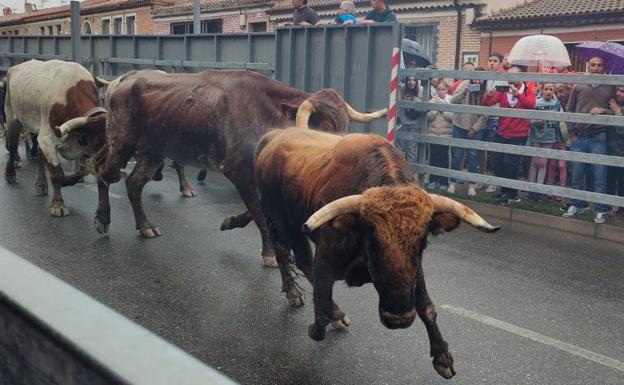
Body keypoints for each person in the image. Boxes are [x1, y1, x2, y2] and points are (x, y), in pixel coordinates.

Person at [562, 56, 615, 224]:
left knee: (600, 175)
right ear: (588, 66)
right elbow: (569, 109)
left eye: (599, 65)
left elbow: (615, 110)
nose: (596, 68)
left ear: (603, 67)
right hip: (579, 136)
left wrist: (604, 111)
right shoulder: (578, 85)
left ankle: (600, 210)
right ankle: (577, 204)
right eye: (593, 65)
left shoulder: (609, 86)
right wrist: (571, 132)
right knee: (577, 174)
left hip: (599, 136)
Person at [482, 65, 537, 204]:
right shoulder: (503, 90)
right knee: (496, 163)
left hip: (519, 134)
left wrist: (517, 94)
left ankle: (512, 195)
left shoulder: (527, 91)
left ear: (521, 77)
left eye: (513, 76)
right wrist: (488, 94)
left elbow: (531, 105)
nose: (510, 79)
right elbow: (486, 103)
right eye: (508, 75)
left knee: (510, 164)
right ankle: (504, 190)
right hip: (502, 132)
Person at [447, 68, 488, 196]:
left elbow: (486, 114)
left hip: (476, 128)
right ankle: (452, 183)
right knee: (457, 155)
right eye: (476, 77)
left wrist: (475, 128)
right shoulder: (464, 84)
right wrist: (464, 93)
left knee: (472, 156)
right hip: (460, 125)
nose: (478, 80)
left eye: (481, 78)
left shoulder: (486, 91)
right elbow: (453, 101)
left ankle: (471, 185)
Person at [526, 82, 561, 201]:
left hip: (549, 136)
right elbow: (528, 119)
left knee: (543, 163)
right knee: (534, 162)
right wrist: (536, 121)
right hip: (536, 135)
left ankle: (538, 190)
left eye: (551, 89)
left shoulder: (556, 104)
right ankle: (531, 188)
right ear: (542, 90)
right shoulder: (536, 102)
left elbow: (560, 119)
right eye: (546, 89)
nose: (548, 92)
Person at [426, 81, 453, 190]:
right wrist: (434, 110)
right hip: (433, 134)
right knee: (433, 158)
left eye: (443, 89)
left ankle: (443, 182)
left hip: (446, 135)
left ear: (447, 90)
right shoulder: (432, 100)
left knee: (444, 158)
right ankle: (433, 180)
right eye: (439, 89)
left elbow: (452, 117)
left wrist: (442, 108)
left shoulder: (450, 100)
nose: (441, 91)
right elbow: (428, 118)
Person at [606, 86, 624, 222]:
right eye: (618, 90)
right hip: (610, 151)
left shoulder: (616, 108)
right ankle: (608, 207)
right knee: (610, 180)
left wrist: (617, 112)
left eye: (623, 91)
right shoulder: (612, 104)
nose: (619, 93)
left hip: (621, 153)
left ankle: (622, 211)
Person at [395, 76, 423, 163]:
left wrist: (413, 100)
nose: (411, 82)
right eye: (409, 80)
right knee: (399, 148)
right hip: (403, 123)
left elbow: (422, 108)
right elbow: (397, 104)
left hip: (414, 124)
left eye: (414, 80)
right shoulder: (402, 89)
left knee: (412, 149)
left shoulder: (421, 90)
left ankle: (410, 172)